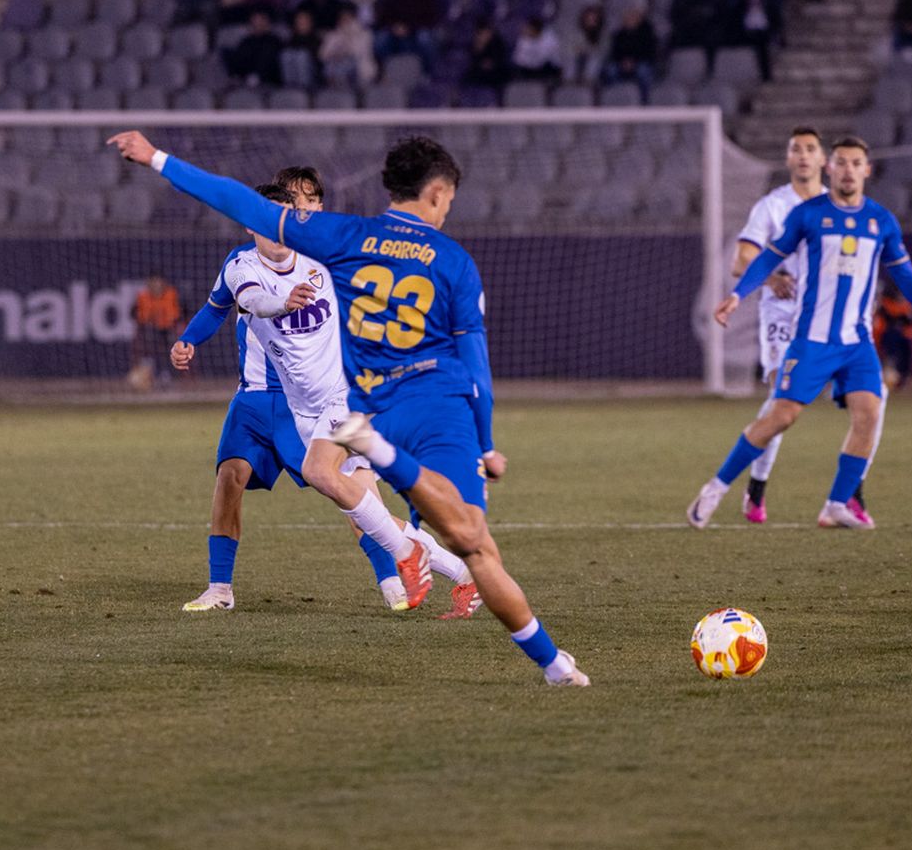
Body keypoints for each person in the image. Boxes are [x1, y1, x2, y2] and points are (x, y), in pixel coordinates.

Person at [109, 130, 590, 686]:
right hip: (417, 405)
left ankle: (418, 558)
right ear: (435, 193)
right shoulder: (454, 261)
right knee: (453, 532)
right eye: (451, 200)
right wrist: (486, 442)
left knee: (359, 487)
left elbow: (237, 200)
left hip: (360, 400)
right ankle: (432, 564)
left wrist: (158, 159)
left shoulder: (344, 238)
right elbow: (475, 362)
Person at [171, 171, 477, 617]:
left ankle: (406, 568)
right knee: (336, 494)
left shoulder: (325, 260)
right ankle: (457, 571)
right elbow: (248, 301)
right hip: (286, 401)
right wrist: (191, 339)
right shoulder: (241, 267)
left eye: (308, 204)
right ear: (252, 225)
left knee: (342, 488)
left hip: (345, 393)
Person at [690, 136, 912, 530]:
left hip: (856, 343)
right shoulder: (809, 215)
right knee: (781, 416)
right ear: (830, 168)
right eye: (842, 162)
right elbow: (770, 255)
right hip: (812, 340)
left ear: (867, 170)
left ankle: (837, 503)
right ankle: (716, 487)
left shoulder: (881, 221)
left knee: (870, 412)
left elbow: (903, 272)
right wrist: (737, 295)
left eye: (856, 163)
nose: (849, 169)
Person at [729, 127, 874, 525]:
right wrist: (772, 278)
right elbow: (741, 260)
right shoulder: (772, 207)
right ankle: (757, 489)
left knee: (866, 404)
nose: (804, 156)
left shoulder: (845, 209)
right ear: (789, 159)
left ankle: (850, 496)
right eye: (796, 149)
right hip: (783, 316)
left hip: (834, 322)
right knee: (782, 399)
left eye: (811, 149)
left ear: (824, 162)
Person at [130, 274, 181, 389]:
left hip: (167, 330)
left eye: (159, 281)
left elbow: (178, 314)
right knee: (149, 339)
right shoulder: (143, 296)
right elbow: (134, 313)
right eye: (154, 281)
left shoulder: (171, 294)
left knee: (170, 343)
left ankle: (165, 375)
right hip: (148, 329)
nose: (157, 285)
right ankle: (146, 373)